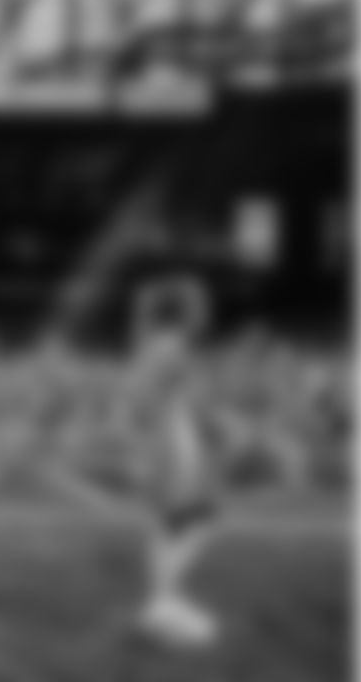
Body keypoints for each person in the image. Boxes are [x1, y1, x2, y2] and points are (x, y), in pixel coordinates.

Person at [126, 273, 224, 648]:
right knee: (199, 520)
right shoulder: (175, 349)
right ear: (184, 314)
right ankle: (161, 605)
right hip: (174, 443)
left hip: (159, 441)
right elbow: (192, 402)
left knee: (169, 525)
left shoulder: (154, 344)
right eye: (199, 305)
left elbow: (142, 393)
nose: (205, 312)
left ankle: (160, 604)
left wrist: (143, 305)